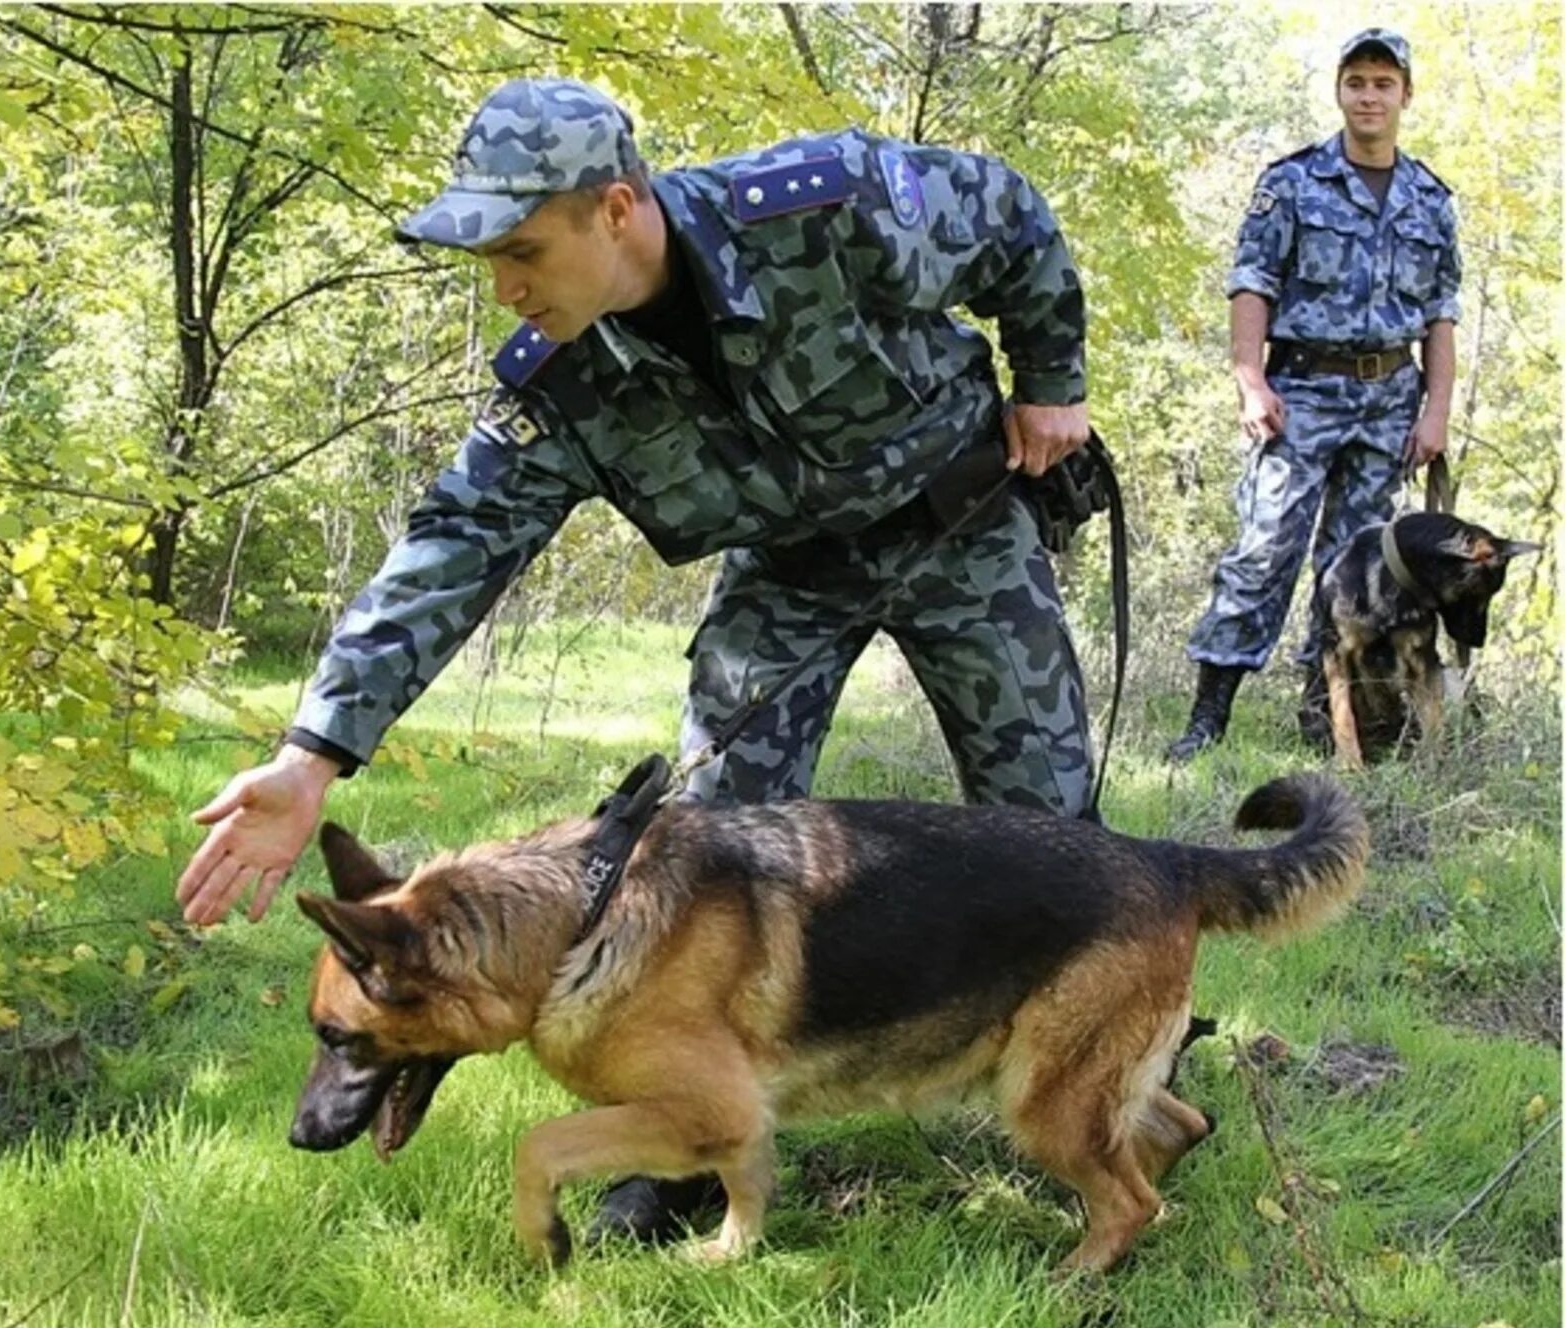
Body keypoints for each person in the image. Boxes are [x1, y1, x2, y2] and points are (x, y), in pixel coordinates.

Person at [177, 77, 1095, 1239]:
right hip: (791, 568)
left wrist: (1053, 380)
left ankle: (1114, 1083)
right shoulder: (557, 379)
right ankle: (681, 1142)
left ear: (617, 209)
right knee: (706, 844)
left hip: (959, 522)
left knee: (1055, 831)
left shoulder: (825, 207)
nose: (506, 288)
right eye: (491, 260)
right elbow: (450, 550)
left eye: (523, 250)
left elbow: (1012, 219)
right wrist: (313, 756)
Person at [1167, 28, 1461, 761]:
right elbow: (1251, 285)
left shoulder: (1431, 199)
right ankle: (1209, 718)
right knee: (1263, 550)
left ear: (1405, 96)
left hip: (1390, 400)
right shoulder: (1291, 184)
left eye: (1383, 84)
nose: (1369, 95)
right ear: (1340, 91)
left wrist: (1436, 410)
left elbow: (1440, 315)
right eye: (1357, 81)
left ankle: (1325, 712)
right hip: (1299, 391)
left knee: (1360, 569)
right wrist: (1250, 380)